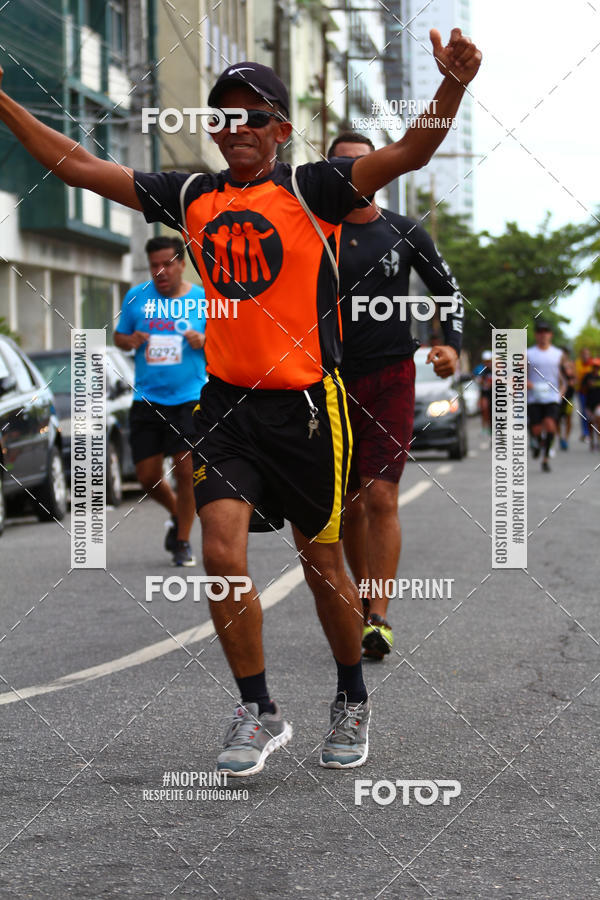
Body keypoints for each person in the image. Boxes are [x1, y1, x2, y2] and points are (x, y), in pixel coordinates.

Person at [0, 28, 481, 774]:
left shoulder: (315, 189)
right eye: (223, 116)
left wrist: (451, 85)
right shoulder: (191, 195)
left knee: (322, 564)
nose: (237, 128)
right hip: (225, 407)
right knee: (221, 552)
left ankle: (352, 696)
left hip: (310, 410)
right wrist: (4, 103)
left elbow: (411, 153)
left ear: (281, 129)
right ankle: (258, 710)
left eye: (253, 116)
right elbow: (78, 165)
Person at [327, 131, 463, 661]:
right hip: (329, 380)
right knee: (347, 504)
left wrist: (450, 346)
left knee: (381, 495)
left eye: (364, 164)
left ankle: (378, 615)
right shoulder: (313, 231)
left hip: (391, 378)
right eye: (341, 165)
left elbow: (448, 294)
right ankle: (364, 601)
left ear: (382, 169)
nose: (353, 174)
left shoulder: (405, 232)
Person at [114, 237, 207, 566]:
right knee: (147, 476)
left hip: (189, 398)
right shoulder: (136, 297)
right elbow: (119, 337)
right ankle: (177, 513)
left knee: (186, 470)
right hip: (147, 399)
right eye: (154, 265)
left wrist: (204, 339)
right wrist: (131, 339)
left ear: (181, 264)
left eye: (167, 264)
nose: (160, 271)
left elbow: (226, 341)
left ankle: (182, 541)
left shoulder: (202, 299)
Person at [527, 321, 567, 473]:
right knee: (537, 429)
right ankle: (537, 443)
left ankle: (545, 459)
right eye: (540, 332)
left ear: (551, 335)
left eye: (546, 332)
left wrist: (561, 393)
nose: (543, 335)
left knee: (550, 425)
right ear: (536, 335)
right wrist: (526, 383)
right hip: (534, 397)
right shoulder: (528, 354)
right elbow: (519, 374)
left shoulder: (558, 354)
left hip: (552, 397)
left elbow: (564, 377)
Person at [558, 347, 576, 450]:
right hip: (559, 395)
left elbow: (576, 379)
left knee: (568, 417)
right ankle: (560, 437)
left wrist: (573, 381)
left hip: (569, 396)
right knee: (557, 418)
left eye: (564, 353)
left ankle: (566, 438)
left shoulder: (571, 364)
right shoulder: (556, 365)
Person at [581, 358, 600, 450]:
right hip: (589, 403)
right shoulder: (587, 376)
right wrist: (588, 385)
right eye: (594, 367)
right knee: (591, 423)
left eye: (597, 367)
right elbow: (582, 390)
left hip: (598, 404)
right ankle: (592, 440)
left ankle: (598, 441)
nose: (596, 368)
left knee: (599, 421)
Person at [575, 347, 593, 441]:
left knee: (594, 413)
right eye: (583, 354)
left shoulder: (593, 364)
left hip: (593, 393)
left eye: (587, 354)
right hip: (582, 392)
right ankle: (585, 433)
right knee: (584, 413)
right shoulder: (577, 364)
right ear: (580, 355)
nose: (585, 356)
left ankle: (592, 432)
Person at [475, 350, 493, 436]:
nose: (488, 363)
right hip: (485, 393)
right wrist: (483, 382)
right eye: (486, 361)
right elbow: (478, 380)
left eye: (489, 361)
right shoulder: (480, 369)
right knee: (484, 407)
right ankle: (485, 426)